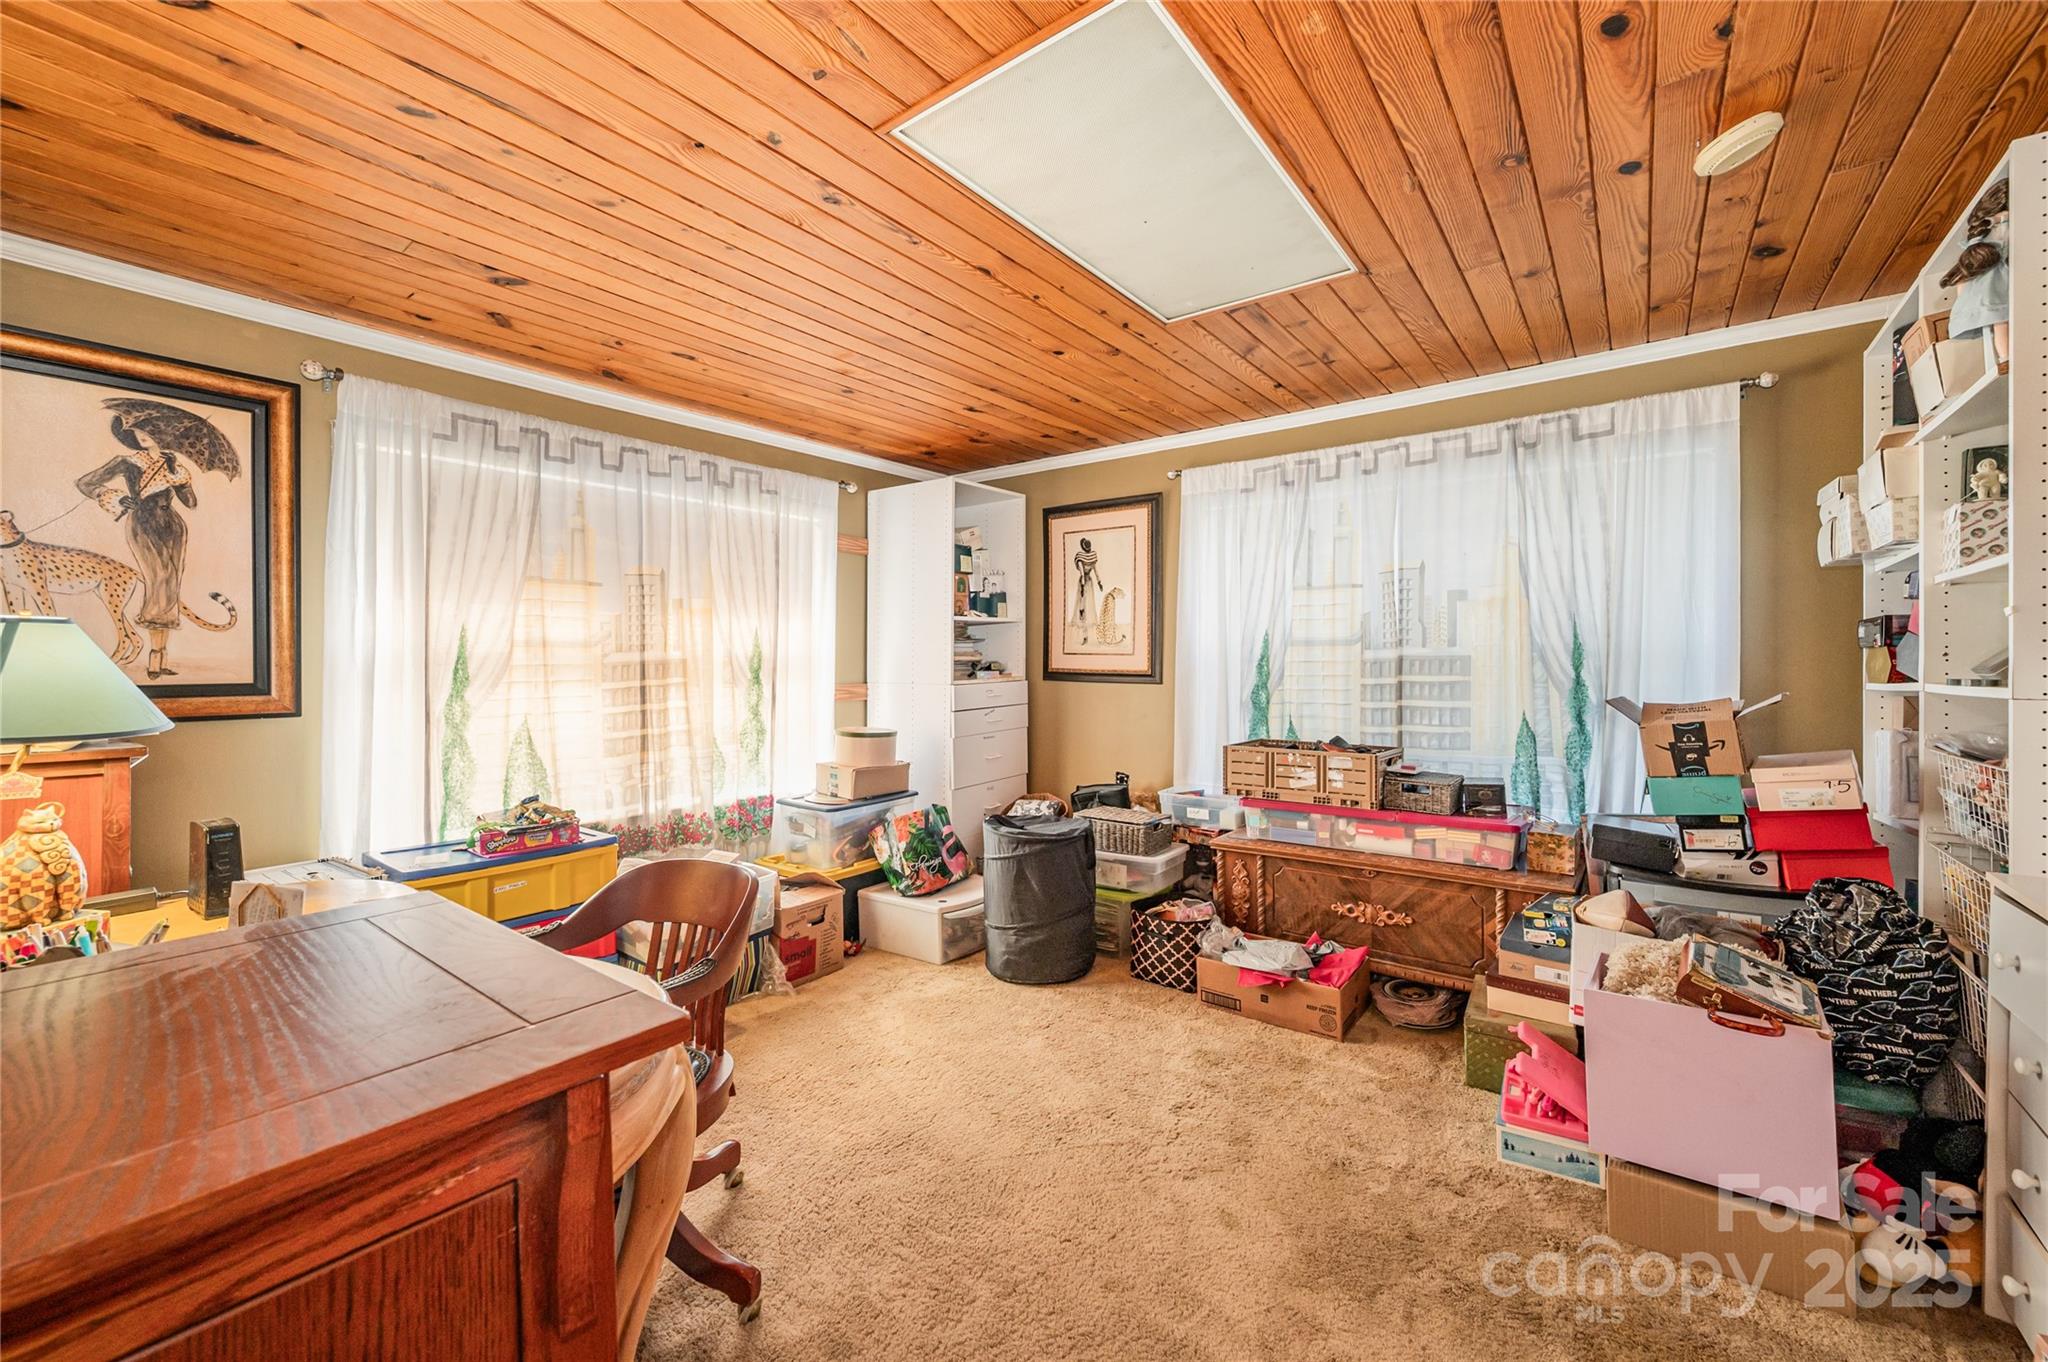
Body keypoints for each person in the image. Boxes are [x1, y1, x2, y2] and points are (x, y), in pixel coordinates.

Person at [76, 418, 196, 679]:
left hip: (172, 526)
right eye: (138, 430)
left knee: (170, 585)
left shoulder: (173, 465)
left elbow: (191, 503)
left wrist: (180, 479)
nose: (142, 434)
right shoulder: (127, 461)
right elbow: (85, 483)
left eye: (149, 430)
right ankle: (154, 658)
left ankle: (161, 658)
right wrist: (115, 497)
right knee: (158, 581)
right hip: (143, 524)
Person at [1070, 536, 1100, 640]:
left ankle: (1084, 632)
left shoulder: (1080, 558)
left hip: (1084, 582)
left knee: (1082, 605)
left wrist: (1082, 587)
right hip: (1090, 582)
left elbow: (1083, 574)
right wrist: (1099, 582)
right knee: (1087, 604)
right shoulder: (1092, 557)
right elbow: (1096, 571)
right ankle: (1085, 633)